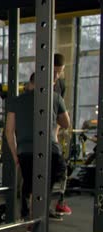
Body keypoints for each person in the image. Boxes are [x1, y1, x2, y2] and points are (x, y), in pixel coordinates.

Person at [5, 73, 70, 232]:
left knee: (33, 187)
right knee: (47, 185)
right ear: (49, 84)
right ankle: (39, 216)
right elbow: (66, 124)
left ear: (30, 83)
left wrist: (15, 156)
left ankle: (31, 220)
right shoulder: (55, 98)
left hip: (25, 152)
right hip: (49, 151)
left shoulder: (16, 101)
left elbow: (8, 131)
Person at [53, 53, 72, 216]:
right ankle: (29, 214)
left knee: (60, 170)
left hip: (51, 134)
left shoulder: (61, 84)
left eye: (59, 72)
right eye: (54, 72)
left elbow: (60, 115)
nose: (56, 76)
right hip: (33, 134)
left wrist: (55, 136)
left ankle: (59, 202)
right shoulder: (35, 82)